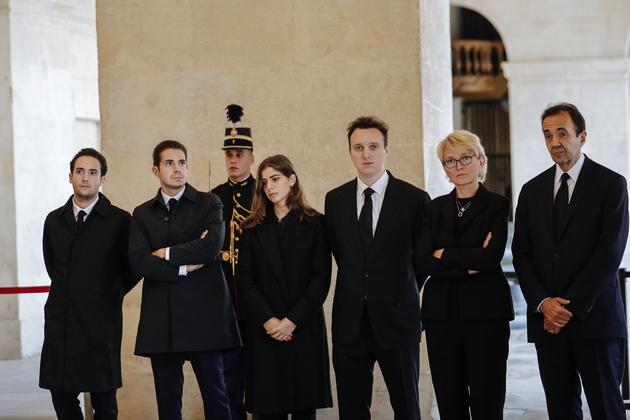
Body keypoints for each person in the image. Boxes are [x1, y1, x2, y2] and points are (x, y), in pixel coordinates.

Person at [512, 102, 629, 419]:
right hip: (547, 324)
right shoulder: (530, 190)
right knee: (560, 410)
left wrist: (569, 307)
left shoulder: (611, 185)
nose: (554, 142)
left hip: (596, 320)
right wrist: (543, 303)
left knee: (607, 408)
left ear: (582, 136)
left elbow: (609, 252)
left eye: (562, 133)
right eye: (547, 135)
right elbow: (521, 253)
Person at [325, 116, 430, 420]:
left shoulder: (414, 199)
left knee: (407, 407)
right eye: (358, 147)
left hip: (397, 319)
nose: (366, 154)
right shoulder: (335, 200)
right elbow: (341, 254)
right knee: (352, 409)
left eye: (373, 146)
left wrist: (396, 288)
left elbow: (420, 262)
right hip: (350, 322)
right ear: (350, 153)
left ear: (387, 150)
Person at [129, 140, 241, 420]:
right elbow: (140, 262)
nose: (177, 169)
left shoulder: (209, 202)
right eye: (169, 163)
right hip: (161, 318)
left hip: (206, 314)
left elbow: (211, 247)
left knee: (217, 398)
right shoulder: (142, 213)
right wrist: (184, 267)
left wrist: (165, 253)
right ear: (156, 170)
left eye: (182, 163)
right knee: (168, 405)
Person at [416, 131, 514, 419]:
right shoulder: (434, 208)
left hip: (486, 313)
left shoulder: (497, 204)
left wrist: (443, 253)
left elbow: (490, 257)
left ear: (480, 161)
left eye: (465, 158)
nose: (458, 166)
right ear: (444, 168)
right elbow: (422, 261)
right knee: (449, 399)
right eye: (450, 161)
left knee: (487, 397)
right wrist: (468, 264)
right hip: (441, 315)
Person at [40, 148, 139, 420]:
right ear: (70, 176)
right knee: (60, 394)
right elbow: (53, 266)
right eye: (80, 171)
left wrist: (106, 294)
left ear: (102, 179)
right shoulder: (53, 220)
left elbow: (131, 269)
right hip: (61, 321)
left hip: (101, 323)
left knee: (104, 401)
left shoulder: (120, 220)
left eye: (93, 172)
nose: (86, 178)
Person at [237, 155, 333, 420]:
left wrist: (292, 321)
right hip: (264, 330)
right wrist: (269, 321)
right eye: (264, 182)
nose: (269, 186)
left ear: (292, 180)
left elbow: (321, 278)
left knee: (304, 409)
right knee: (267, 410)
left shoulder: (316, 224)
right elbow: (244, 280)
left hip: (303, 327)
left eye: (275, 179)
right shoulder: (251, 228)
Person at [211, 104, 256, 420]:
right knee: (228, 374)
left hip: (256, 297)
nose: (234, 160)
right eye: (229, 155)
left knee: (260, 372)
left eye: (240, 154)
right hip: (224, 297)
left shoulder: (263, 193)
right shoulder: (213, 198)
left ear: (251, 158)